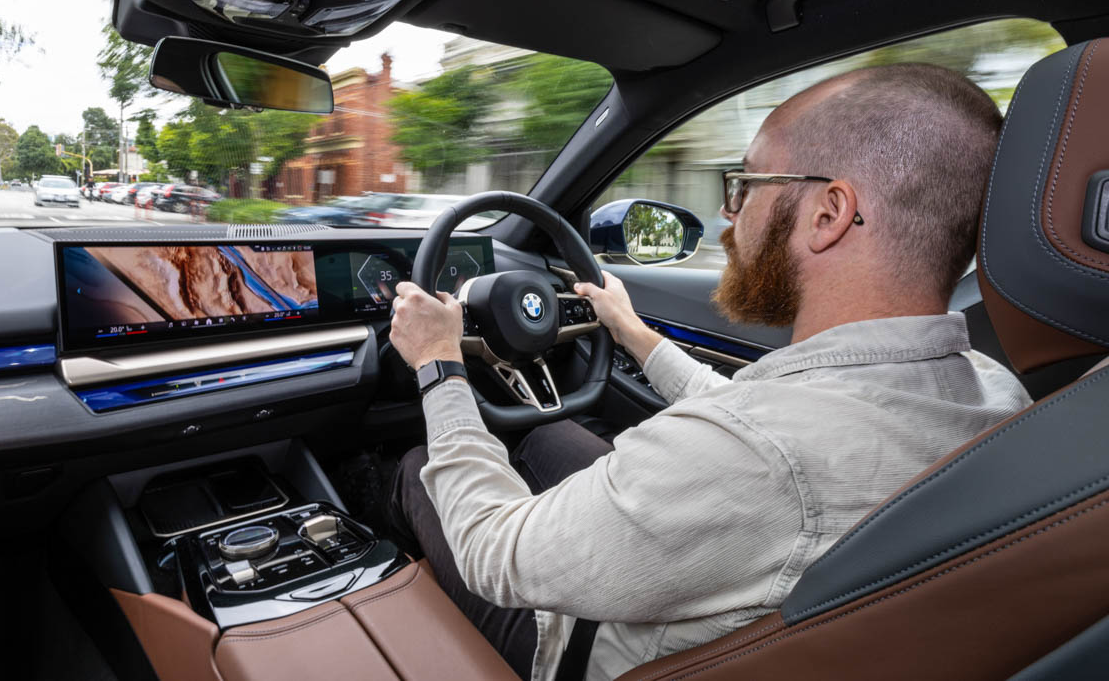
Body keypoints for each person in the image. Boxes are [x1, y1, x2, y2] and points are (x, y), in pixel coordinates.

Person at [385, 63, 1033, 681]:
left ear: (829, 214)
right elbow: (762, 417)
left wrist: (440, 366)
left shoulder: (750, 453)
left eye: (747, 184)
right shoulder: (996, 393)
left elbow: (491, 552)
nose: (730, 214)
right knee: (545, 438)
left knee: (418, 466)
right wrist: (633, 333)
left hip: (579, 652)